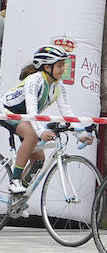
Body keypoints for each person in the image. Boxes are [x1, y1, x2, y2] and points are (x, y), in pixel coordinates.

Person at [1, 44, 92, 194]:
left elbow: (67, 112)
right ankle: (14, 180)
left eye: (64, 65)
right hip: (6, 111)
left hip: (25, 117)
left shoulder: (58, 85)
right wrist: (39, 131)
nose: (63, 69)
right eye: (60, 65)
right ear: (47, 67)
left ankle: (17, 198)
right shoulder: (34, 80)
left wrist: (79, 135)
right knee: (31, 135)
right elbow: (32, 111)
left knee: (39, 161)